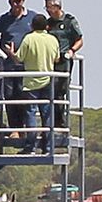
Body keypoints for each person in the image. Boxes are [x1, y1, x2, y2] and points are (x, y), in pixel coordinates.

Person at [0, 0, 43, 138]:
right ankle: (14, 129)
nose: (16, 4)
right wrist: (0, 49)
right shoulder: (4, 19)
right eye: (13, 2)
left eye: (19, 1)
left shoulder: (32, 17)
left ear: (23, 1)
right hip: (8, 64)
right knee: (9, 96)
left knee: (24, 96)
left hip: (26, 64)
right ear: (9, 2)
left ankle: (24, 129)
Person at [15, 15, 61, 153]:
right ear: (46, 26)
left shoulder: (29, 38)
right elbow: (57, 58)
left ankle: (31, 146)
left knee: (30, 113)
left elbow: (19, 58)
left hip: (31, 82)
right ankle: (48, 147)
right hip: (48, 80)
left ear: (32, 26)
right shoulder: (53, 39)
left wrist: (11, 53)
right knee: (46, 113)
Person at [43, 0, 84, 104]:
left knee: (60, 89)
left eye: (49, 7)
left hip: (63, 59)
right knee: (48, 89)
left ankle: (59, 119)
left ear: (57, 7)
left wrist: (72, 51)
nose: (47, 10)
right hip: (50, 60)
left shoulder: (69, 21)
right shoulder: (48, 23)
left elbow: (79, 40)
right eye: (46, 7)